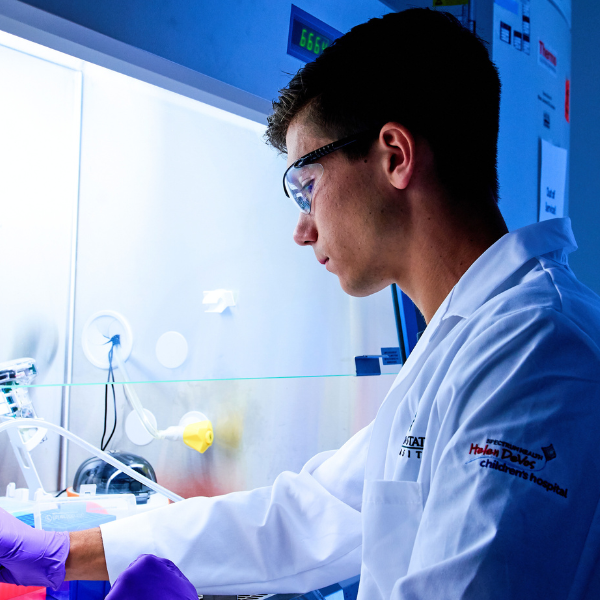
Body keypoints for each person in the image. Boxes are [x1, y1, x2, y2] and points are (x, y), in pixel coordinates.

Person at [2, 7, 600, 599]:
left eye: (306, 188)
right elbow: (305, 517)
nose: (303, 229)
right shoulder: (463, 344)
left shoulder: (539, 355)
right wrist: (68, 555)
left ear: (394, 156)